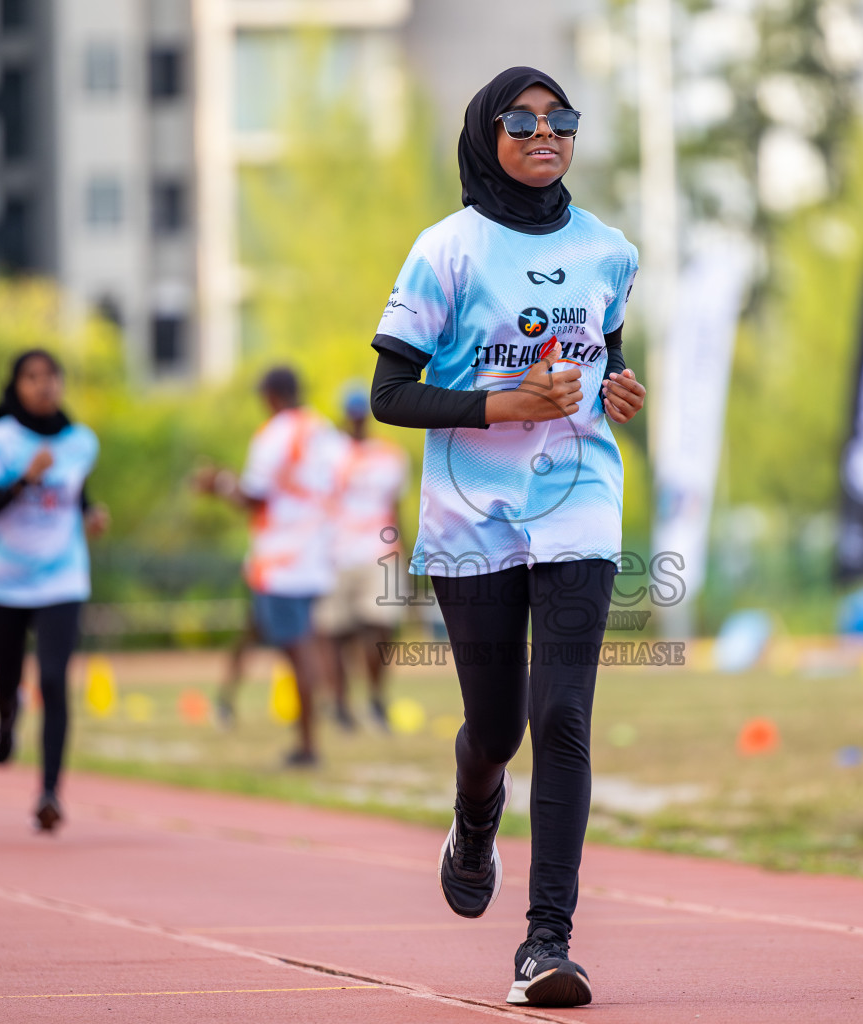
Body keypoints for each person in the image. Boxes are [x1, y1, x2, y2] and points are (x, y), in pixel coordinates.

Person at [368, 67, 645, 1008]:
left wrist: (620, 387)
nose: (543, 132)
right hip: (472, 516)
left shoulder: (609, 249)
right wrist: (502, 403)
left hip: (579, 504)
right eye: (519, 120)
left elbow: (608, 348)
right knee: (495, 727)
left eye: (559, 119)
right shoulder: (444, 251)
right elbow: (389, 395)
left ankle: (546, 945)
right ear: (486, 134)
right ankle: (474, 814)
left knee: (561, 715)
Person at [0, 349, 108, 833]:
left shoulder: (81, 442)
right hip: (3, 581)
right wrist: (25, 479)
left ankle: (50, 792)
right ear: (16, 385)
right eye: (32, 377)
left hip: (62, 577)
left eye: (51, 376)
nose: (43, 385)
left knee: (53, 679)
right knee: (7, 680)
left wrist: (90, 513)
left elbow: (74, 491)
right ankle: (6, 718)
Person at [196, 367, 347, 766]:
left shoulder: (275, 434)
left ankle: (309, 744)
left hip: (280, 561)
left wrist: (218, 484)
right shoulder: (324, 430)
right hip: (316, 555)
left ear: (272, 396)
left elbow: (254, 497)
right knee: (283, 636)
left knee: (297, 650)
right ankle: (232, 703)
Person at [312, 388, 410, 732]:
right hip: (335, 553)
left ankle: (376, 698)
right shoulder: (327, 453)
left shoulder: (389, 455)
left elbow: (395, 510)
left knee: (380, 629)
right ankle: (339, 705)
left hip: (378, 551)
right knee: (334, 633)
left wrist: (407, 554)